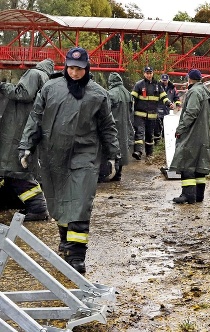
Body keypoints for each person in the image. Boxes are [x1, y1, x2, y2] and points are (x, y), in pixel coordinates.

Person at [19, 47, 120, 274]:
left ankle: (77, 255)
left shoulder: (98, 94)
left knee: (81, 203)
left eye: (79, 69)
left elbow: (107, 127)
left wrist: (113, 156)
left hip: (85, 156)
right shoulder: (50, 88)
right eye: (71, 68)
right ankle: (65, 243)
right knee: (60, 203)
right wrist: (26, 146)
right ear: (65, 66)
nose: (74, 73)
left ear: (87, 68)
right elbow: (35, 118)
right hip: (54, 156)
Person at [0, 58, 54, 221]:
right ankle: (33, 206)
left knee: (16, 170)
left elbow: (23, 93)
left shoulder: (34, 73)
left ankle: (38, 207)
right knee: (13, 171)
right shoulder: (46, 80)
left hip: (17, 127)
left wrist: (3, 86)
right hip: (26, 128)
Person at [169, 69, 210, 204]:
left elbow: (191, 112)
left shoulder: (195, 92)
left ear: (190, 79)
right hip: (203, 133)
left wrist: (180, 129)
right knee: (200, 165)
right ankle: (198, 195)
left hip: (193, 134)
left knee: (187, 162)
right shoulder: (205, 91)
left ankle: (188, 195)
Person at [98, 72, 134, 182]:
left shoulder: (110, 94)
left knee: (111, 148)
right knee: (123, 148)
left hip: (113, 126)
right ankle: (118, 174)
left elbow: (105, 111)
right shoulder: (128, 93)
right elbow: (131, 110)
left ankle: (110, 174)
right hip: (126, 125)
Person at [130, 66, 171, 161]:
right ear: (144, 74)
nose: (149, 75)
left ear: (153, 73)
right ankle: (138, 152)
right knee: (139, 133)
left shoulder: (158, 85)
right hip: (140, 114)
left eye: (150, 73)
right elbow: (133, 98)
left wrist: (169, 104)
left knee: (149, 135)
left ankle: (149, 154)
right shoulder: (139, 85)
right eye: (147, 73)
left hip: (152, 115)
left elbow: (164, 97)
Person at [153, 73, 181, 144]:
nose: (164, 82)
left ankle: (164, 139)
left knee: (166, 126)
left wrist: (178, 104)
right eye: (163, 80)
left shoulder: (172, 87)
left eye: (165, 80)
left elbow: (176, 97)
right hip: (158, 108)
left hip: (168, 110)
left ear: (168, 80)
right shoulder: (157, 87)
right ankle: (157, 140)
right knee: (158, 125)